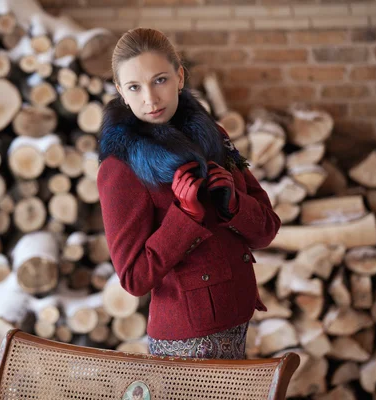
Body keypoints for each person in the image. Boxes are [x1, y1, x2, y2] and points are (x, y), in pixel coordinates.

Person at [97, 28, 281, 359]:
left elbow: (267, 228)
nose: (150, 99)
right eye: (134, 87)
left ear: (180, 77)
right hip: (184, 341)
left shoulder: (214, 136)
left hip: (237, 319)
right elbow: (134, 278)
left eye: (160, 80)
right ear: (120, 92)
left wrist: (235, 204)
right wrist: (186, 217)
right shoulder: (121, 167)